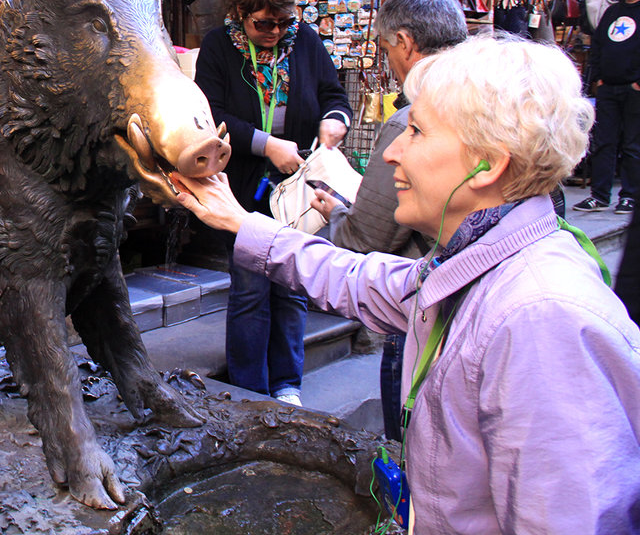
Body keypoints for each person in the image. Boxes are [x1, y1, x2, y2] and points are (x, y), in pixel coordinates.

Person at [173, 35, 640, 534]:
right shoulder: (478, 265)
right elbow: (360, 279)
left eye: (416, 131)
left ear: (491, 162)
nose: (393, 152)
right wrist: (240, 222)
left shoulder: (541, 321)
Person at [309, 0, 467, 440]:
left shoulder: (412, 120)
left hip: (428, 306)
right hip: (466, 295)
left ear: (405, 43)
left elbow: (368, 240)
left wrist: (336, 217)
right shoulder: (495, 104)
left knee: (416, 450)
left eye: (384, 47)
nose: (387, 60)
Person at [193, 0, 352, 405]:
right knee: (249, 287)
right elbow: (212, 114)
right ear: (241, 14)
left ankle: (286, 384)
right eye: (264, 23)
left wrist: (334, 121)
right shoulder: (218, 47)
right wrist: (267, 146)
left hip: (294, 188)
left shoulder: (306, 43)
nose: (276, 32)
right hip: (243, 186)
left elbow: (333, 95)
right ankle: (249, 388)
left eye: (284, 23)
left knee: (292, 286)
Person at [573, 0, 640, 214]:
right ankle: (599, 195)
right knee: (603, 142)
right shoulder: (612, 12)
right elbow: (598, 45)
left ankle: (629, 196)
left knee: (633, 145)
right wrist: (597, 79)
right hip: (609, 88)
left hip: (633, 89)